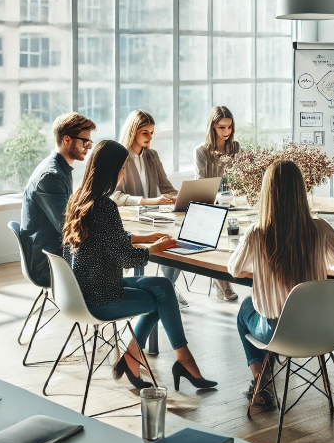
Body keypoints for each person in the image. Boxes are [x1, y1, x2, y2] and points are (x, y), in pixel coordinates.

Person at [62, 139, 217, 392]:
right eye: (122, 168)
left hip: (83, 289)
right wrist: (153, 250)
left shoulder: (80, 199)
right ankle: (180, 360)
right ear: (112, 170)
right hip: (101, 297)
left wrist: (145, 238)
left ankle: (140, 359)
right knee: (163, 297)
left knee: (163, 286)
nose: (123, 173)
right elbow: (125, 259)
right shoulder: (105, 207)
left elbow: (108, 240)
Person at [229, 160, 334, 405]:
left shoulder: (257, 233)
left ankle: (261, 379)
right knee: (263, 310)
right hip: (323, 330)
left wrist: (259, 265)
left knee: (245, 309)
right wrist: (325, 265)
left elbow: (234, 269)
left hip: (279, 333)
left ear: (267, 194)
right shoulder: (319, 229)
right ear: (301, 191)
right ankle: (265, 375)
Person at [112, 109, 189, 308]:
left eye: (152, 133)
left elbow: (167, 188)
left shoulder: (152, 156)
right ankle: (161, 292)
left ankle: (167, 287)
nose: (149, 137)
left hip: (153, 215)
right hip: (130, 219)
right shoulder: (119, 156)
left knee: (177, 240)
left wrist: (180, 197)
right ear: (133, 131)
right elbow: (116, 196)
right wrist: (150, 201)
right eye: (145, 132)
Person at [19, 113, 96, 287]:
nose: (89, 147)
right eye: (85, 141)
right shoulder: (51, 176)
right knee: (110, 256)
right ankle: (102, 309)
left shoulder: (61, 170)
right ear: (67, 139)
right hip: (48, 264)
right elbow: (68, 227)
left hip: (56, 254)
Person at [193, 106, 241, 302]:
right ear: (212, 127)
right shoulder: (201, 151)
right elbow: (202, 185)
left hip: (232, 203)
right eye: (222, 127)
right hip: (210, 206)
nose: (227, 132)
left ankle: (222, 276)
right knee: (217, 231)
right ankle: (222, 281)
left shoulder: (235, 147)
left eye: (229, 127)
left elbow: (240, 178)